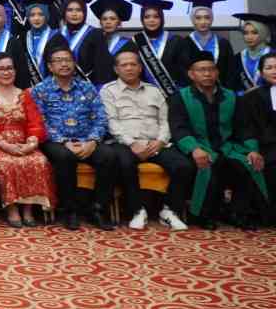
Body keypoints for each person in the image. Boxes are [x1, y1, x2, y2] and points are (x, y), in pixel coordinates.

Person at [169, 50, 266, 230]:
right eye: (201, 70)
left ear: (217, 72)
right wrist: (194, 149)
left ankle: (237, 213)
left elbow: (244, 127)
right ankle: (202, 215)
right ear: (191, 74)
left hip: (228, 147)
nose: (207, 74)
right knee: (208, 168)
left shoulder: (231, 97)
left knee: (248, 165)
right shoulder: (180, 97)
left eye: (211, 69)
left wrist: (253, 149)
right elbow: (178, 128)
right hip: (198, 146)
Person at [100, 49, 192, 230]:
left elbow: (165, 121)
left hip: (155, 143)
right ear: (116, 69)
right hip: (125, 143)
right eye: (124, 65)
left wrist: (161, 141)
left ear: (140, 68)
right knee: (125, 163)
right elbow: (111, 122)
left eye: (133, 64)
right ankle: (137, 210)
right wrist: (132, 143)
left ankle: (169, 210)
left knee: (183, 166)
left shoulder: (154, 91)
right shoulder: (108, 91)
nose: (129, 68)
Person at [33, 45, 117, 230]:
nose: (64, 64)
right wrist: (64, 142)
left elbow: (101, 118)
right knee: (65, 157)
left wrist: (93, 141)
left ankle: (98, 209)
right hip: (55, 141)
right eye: (58, 61)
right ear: (50, 66)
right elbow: (40, 122)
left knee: (109, 156)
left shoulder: (87, 87)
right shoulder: (40, 90)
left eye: (68, 60)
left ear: (74, 63)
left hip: (87, 140)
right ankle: (69, 210)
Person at [0, 53, 54, 227]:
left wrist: (31, 144)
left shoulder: (25, 94)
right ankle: (11, 208)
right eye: (1, 69)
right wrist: (5, 145)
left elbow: (35, 123)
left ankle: (28, 209)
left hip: (24, 143)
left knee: (38, 160)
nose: (6, 72)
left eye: (10, 68)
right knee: (8, 163)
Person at [240, 52, 276, 224]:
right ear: (261, 72)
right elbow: (247, 128)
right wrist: (253, 149)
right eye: (269, 67)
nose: (274, 71)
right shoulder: (251, 97)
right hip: (266, 147)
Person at [173, 0, 237, 90]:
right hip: (193, 93)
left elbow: (230, 72)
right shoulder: (183, 44)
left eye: (207, 17)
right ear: (192, 20)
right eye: (198, 18)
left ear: (212, 19)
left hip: (219, 93)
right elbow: (182, 73)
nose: (203, 22)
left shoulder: (223, 44)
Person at [131, 0, 184, 91]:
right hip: (144, 93)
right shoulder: (135, 41)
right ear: (142, 20)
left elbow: (183, 72)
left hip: (172, 93)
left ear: (162, 19)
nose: (151, 20)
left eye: (156, 17)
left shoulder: (176, 41)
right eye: (147, 17)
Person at [90, 0, 134, 87]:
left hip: (120, 89)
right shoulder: (93, 42)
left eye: (113, 19)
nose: (108, 22)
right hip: (96, 88)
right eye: (104, 19)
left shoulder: (128, 44)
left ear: (119, 22)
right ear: (100, 22)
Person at [58, 0, 100, 82]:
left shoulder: (95, 34)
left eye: (79, 10)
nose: (74, 14)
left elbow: (101, 67)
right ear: (64, 12)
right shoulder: (57, 34)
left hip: (88, 85)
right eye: (70, 10)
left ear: (84, 12)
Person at [18, 0, 61, 88]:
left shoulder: (57, 36)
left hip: (53, 87)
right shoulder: (22, 37)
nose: (36, 18)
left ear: (47, 15)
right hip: (29, 89)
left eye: (41, 14)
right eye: (32, 15)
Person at [233, 13, 273, 91]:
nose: (249, 37)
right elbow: (234, 84)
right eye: (245, 33)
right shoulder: (238, 57)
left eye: (254, 33)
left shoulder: (273, 54)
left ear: (263, 33)